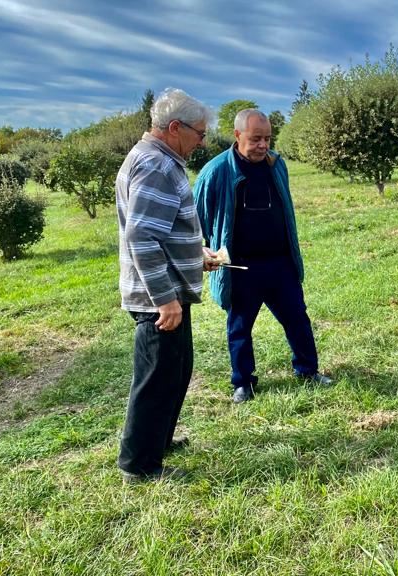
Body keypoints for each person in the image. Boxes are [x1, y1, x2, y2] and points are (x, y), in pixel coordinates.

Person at [194, 109, 331, 403]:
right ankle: (243, 383)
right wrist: (206, 248)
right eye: (256, 139)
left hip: (280, 262)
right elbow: (198, 217)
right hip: (240, 267)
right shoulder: (216, 171)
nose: (263, 145)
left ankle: (308, 370)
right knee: (240, 327)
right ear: (237, 135)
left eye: (267, 138)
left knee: (298, 318)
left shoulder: (276, 165)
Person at [115, 88, 217, 483]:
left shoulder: (156, 159)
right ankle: (139, 465)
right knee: (157, 378)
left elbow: (160, 229)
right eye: (199, 133)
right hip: (160, 298)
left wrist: (194, 253)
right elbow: (142, 237)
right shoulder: (157, 165)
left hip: (167, 292)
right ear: (175, 127)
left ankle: (159, 441)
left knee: (175, 371)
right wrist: (164, 299)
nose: (202, 142)